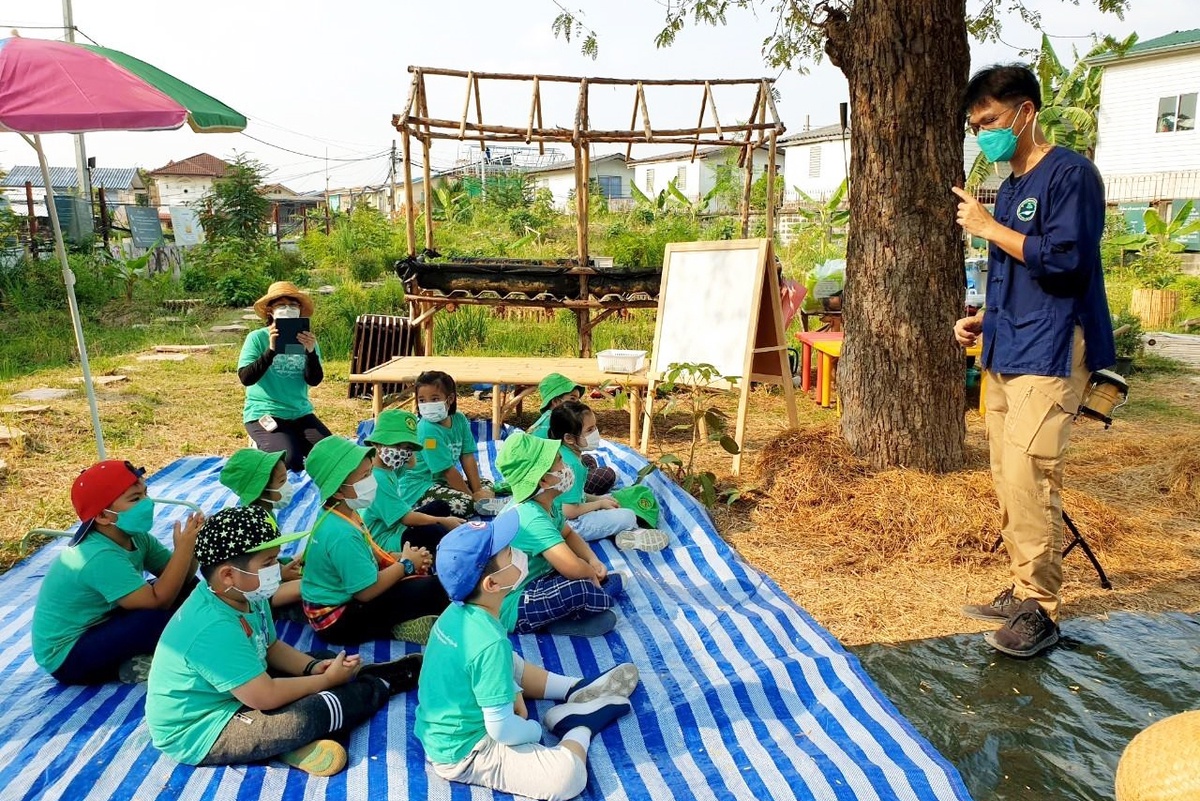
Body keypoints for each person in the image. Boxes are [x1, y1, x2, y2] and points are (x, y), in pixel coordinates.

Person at [953, 63, 1115, 658]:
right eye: (975, 126)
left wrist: (990, 227)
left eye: (990, 120)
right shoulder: (1013, 186)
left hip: (1051, 347)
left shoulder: (1070, 174)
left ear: (1026, 111)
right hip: (1006, 345)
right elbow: (1016, 273)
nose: (983, 135)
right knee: (1006, 476)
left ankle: (1041, 609)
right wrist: (982, 322)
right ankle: (1024, 588)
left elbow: (1068, 262)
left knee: (1029, 473)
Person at [146, 506, 422, 776]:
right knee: (313, 713)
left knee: (323, 660)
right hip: (205, 729)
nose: (276, 571)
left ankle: (291, 740)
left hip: (240, 689)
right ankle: (378, 684)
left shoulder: (247, 596)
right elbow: (264, 696)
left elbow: (271, 647)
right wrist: (326, 682)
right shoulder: (212, 627)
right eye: (268, 563)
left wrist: (313, 670)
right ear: (228, 574)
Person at [416, 513, 637, 800]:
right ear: (492, 585)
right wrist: (532, 730)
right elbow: (501, 729)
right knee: (565, 778)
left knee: (508, 661)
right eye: (509, 552)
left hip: (443, 729)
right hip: (467, 752)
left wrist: (513, 690)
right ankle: (578, 727)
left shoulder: (456, 614)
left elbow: (483, 667)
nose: (519, 553)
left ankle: (573, 688)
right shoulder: (489, 642)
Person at [32, 460, 204, 685]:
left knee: (190, 589)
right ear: (103, 516)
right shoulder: (98, 555)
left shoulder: (135, 536)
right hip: (69, 656)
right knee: (154, 620)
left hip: (104, 621)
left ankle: (158, 652)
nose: (147, 503)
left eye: (145, 493)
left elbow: (182, 579)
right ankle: (143, 662)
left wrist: (192, 549)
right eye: (135, 499)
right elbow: (157, 603)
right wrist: (183, 550)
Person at [300, 436, 450, 645]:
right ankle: (396, 627)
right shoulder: (341, 534)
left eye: (370, 472)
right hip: (340, 621)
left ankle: (400, 623)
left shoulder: (338, 512)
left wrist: (402, 558)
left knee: (422, 581)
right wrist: (405, 564)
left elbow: (367, 556)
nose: (371, 480)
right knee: (435, 588)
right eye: (364, 476)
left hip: (346, 600)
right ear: (340, 490)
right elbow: (366, 592)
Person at [493, 432, 622, 637]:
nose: (566, 467)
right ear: (544, 480)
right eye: (559, 461)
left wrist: (592, 560)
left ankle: (569, 614)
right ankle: (556, 621)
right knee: (582, 589)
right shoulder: (530, 517)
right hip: (514, 603)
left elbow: (568, 534)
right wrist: (589, 573)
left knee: (610, 581)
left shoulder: (549, 505)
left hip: (540, 577)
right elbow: (571, 568)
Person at [547, 401, 667, 552]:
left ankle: (624, 531)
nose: (595, 433)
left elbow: (571, 496)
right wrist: (598, 504)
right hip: (567, 525)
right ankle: (630, 533)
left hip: (555, 515)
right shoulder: (573, 465)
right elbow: (569, 511)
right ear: (569, 438)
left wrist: (598, 499)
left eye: (595, 427)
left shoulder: (563, 452)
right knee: (628, 516)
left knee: (611, 499)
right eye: (589, 430)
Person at [239, 281, 331, 472]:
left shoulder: (308, 341)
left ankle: (291, 438)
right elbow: (246, 378)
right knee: (289, 461)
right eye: (281, 305)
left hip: (300, 413)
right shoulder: (256, 338)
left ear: (299, 310)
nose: (288, 309)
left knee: (332, 456)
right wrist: (271, 350)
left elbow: (313, 380)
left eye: (293, 305)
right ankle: (269, 444)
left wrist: (311, 353)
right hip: (264, 412)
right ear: (270, 311)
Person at [362, 409, 464, 554]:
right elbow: (406, 518)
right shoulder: (377, 479)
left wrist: (409, 450)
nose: (403, 453)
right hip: (385, 541)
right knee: (436, 531)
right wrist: (443, 521)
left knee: (440, 506)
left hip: (396, 526)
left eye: (408, 448)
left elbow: (411, 464)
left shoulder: (388, 467)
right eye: (397, 446)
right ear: (376, 443)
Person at [219, 448, 305, 609]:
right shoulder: (252, 527)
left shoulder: (266, 513)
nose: (288, 486)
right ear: (261, 490)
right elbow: (253, 577)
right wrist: (280, 574)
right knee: (315, 587)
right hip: (258, 593)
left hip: (268, 572)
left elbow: (268, 560)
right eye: (281, 482)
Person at [408, 370, 494, 517]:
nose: (427, 405)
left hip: (442, 483)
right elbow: (447, 471)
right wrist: (472, 497)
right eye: (422, 400)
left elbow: (467, 456)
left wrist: (477, 490)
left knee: (485, 483)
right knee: (464, 504)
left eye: (434, 399)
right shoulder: (427, 431)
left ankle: (476, 499)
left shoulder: (459, 419)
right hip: (420, 486)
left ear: (450, 399)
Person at [527, 373, 583, 439]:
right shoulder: (556, 422)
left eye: (578, 399)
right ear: (556, 401)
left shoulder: (552, 416)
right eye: (572, 398)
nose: (578, 403)